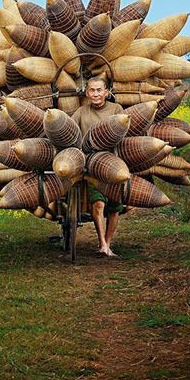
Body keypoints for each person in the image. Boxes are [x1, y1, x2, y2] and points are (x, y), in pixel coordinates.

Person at [72, 76, 125, 257]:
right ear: (87, 93)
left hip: (114, 163)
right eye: (92, 91)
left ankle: (108, 244)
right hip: (92, 165)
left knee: (114, 208)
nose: (96, 94)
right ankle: (102, 243)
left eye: (99, 90)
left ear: (106, 92)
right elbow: (71, 132)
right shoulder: (81, 112)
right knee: (98, 203)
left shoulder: (116, 109)